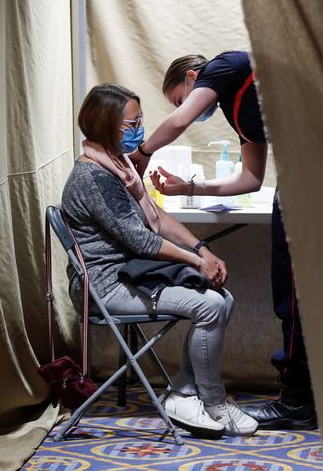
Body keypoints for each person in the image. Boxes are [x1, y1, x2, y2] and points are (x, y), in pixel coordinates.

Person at [130, 51, 318, 430]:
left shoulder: (227, 66)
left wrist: (142, 153)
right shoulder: (243, 112)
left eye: (182, 97)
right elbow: (250, 179)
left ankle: (297, 401)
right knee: (294, 290)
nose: (189, 109)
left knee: (293, 293)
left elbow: (180, 121)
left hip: (315, 169)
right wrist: (189, 188)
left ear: (194, 76)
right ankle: (307, 394)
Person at [61, 83, 258, 438]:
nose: (139, 128)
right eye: (130, 123)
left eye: (140, 120)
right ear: (105, 124)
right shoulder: (93, 176)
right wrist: (197, 264)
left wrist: (202, 250)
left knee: (221, 298)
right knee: (210, 306)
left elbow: (158, 219)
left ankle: (183, 392)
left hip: (131, 271)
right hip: (106, 284)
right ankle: (213, 401)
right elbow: (142, 239)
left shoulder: (119, 165)